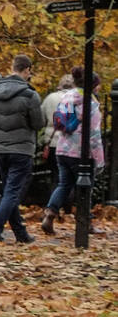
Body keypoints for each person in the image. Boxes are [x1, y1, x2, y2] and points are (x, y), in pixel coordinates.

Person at [0, 54, 44, 244]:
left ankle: (20, 233)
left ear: (12, 67)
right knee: (12, 192)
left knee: (9, 190)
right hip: (22, 149)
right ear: (26, 70)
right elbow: (38, 123)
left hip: (0, 149)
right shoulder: (30, 95)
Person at [41, 66, 105, 235]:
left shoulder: (67, 97)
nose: (99, 88)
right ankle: (86, 223)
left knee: (64, 185)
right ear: (92, 85)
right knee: (85, 187)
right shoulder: (90, 104)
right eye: (97, 85)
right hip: (81, 152)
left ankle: (50, 214)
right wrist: (99, 159)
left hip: (62, 149)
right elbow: (94, 135)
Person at [39, 73, 75, 179]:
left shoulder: (50, 98)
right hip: (70, 143)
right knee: (69, 178)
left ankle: (54, 194)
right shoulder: (75, 99)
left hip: (52, 143)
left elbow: (41, 120)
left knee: (55, 174)